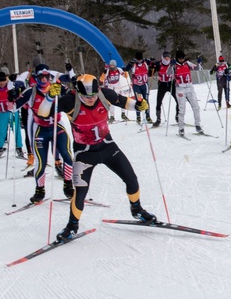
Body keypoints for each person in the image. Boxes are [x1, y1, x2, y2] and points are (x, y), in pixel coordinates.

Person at [52, 74, 158, 243]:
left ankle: (137, 210)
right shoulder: (69, 101)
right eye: (86, 96)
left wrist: (137, 106)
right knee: (80, 192)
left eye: (93, 95)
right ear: (77, 92)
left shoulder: (104, 94)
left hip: (108, 147)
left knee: (131, 179)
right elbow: (44, 113)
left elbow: (124, 102)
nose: (91, 99)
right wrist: (51, 97)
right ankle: (71, 227)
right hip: (84, 153)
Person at [15, 65, 75, 203]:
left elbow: (73, 95)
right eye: (41, 76)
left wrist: (75, 84)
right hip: (40, 129)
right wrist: (12, 95)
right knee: (41, 162)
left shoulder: (56, 87)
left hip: (56, 126)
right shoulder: (31, 91)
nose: (44, 79)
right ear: (36, 78)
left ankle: (68, 185)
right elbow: (13, 106)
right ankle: (40, 190)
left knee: (67, 155)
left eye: (46, 76)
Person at [0, 70, 24, 159]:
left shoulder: (10, 86)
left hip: (12, 112)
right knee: (2, 132)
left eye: (3, 81)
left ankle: (19, 148)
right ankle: (0, 148)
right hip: (1, 113)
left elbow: (19, 96)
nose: (1, 83)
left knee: (16, 130)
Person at [173, 50, 204, 137]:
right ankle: (181, 128)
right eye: (180, 58)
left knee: (196, 107)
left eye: (183, 58)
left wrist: (199, 63)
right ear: (177, 58)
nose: (182, 60)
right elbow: (168, 74)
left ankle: (198, 125)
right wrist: (170, 66)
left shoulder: (188, 63)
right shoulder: (174, 65)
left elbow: (197, 69)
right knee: (182, 109)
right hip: (180, 89)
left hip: (190, 87)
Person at [126, 52, 153, 125]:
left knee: (146, 100)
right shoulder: (133, 63)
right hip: (136, 86)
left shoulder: (146, 62)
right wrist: (129, 64)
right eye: (138, 60)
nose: (139, 61)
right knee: (138, 100)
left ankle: (148, 116)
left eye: (140, 59)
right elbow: (126, 69)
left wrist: (153, 61)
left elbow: (153, 64)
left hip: (145, 85)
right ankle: (138, 116)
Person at [152, 51, 178, 127]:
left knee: (178, 100)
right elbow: (150, 73)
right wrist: (152, 65)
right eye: (165, 58)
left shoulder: (172, 63)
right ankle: (158, 119)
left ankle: (178, 117)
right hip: (162, 84)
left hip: (171, 84)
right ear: (163, 58)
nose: (167, 59)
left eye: (168, 58)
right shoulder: (159, 64)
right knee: (158, 102)